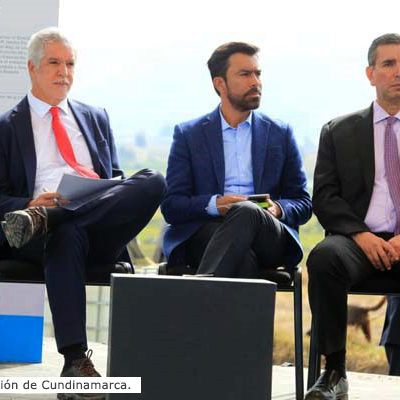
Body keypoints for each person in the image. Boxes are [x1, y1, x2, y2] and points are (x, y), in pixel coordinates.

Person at [0, 27, 165, 400]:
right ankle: (76, 361)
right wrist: (30, 205)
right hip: (37, 234)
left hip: (101, 230)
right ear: (32, 68)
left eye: (70, 64)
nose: (64, 72)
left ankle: (55, 216)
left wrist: (78, 202)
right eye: (54, 63)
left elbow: (116, 181)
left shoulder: (95, 116)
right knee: (66, 233)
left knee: (153, 179)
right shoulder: (7, 127)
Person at [161, 42, 311, 279]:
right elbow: (172, 206)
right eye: (245, 74)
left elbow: (303, 203)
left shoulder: (280, 133)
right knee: (242, 259)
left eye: (257, 74)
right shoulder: (189, 135)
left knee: (247, 211)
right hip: (208, 231)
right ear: (220, 83)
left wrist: (277, 208)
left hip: (267, 233)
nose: (256, 82)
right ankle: (210, 294)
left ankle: (200, 293)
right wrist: (216, 204)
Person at [306, 33, 400, 399]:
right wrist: (361, 235)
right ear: (370, 73)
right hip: (358, 243)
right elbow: (325, 197)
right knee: (324, 257)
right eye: (389, 64)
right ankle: (334, 372)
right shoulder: (338, 131)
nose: (398, 72)